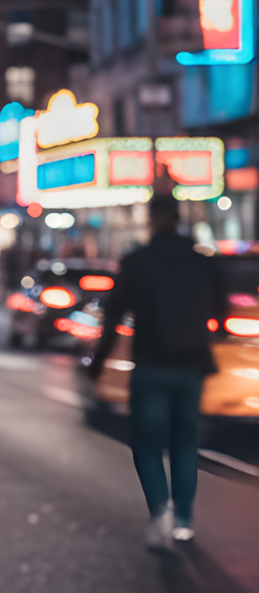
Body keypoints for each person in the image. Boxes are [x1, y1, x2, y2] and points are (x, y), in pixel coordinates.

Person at [91, 194, 226, 551]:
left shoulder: (137, 262)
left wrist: (98, 364)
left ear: (151, 220)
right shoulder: (202, 263)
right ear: (179, 219)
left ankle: (160, 513)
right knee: (184, 442)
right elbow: (221, 309)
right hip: (191, 363)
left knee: (148, 444)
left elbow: (114, 315)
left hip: (152, 363)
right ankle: (184, 521)